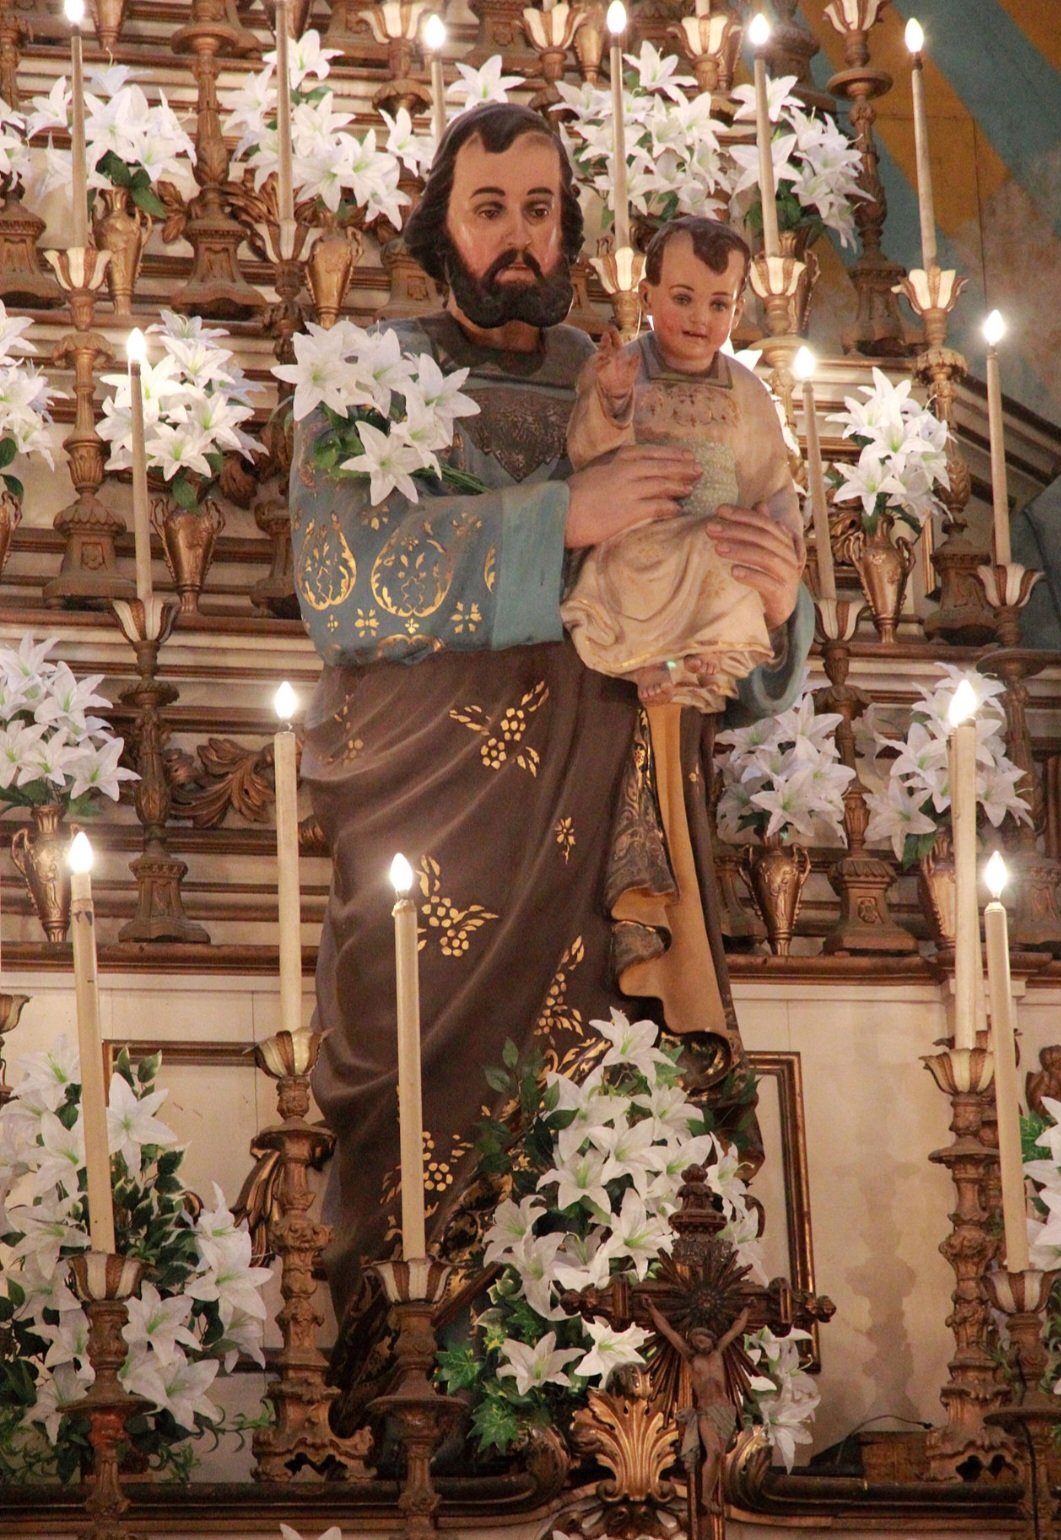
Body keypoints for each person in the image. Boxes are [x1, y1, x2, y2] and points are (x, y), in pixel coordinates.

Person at [289, 102, 811, 1401]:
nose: (515, 238)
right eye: (488, 208)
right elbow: (342, 580)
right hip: (442, 839)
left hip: (622, 846)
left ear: (573, 229)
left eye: (539, 210)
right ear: (440, 221)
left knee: (616, 1145)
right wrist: (560, 516)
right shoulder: (366, 376)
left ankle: (619, 1381)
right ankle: (420, 1391)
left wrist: (779, 604)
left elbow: (723, 644)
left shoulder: (649, 377)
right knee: (432, 1127)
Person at [562, 217, 802, 711]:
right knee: (629, 566)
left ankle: (698, 656)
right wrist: (613, 399)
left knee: (727, 558)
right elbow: (587, 456)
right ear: (647, 298)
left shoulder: (750, 392)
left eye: (718, 305)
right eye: (682, 298)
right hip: (642, 531)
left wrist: (783, 539)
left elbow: (772, 483)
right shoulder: (621, 369)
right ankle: (647, 658)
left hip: (714, 531)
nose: (699, 318)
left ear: (737, 313)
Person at [647, 1300, 751, 1513]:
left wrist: (747, 1308)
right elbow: (668, 1331)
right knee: (712, 1451)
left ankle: (710, 1494)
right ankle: (704, 1498)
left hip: (725, 1410)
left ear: (711, 1340)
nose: (700, 1344)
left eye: (702, 1340)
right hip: (705, 1410)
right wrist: (651, 1308)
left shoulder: (719, 1351)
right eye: (696, 1341)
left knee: (720, 1455)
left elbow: (735, 1329)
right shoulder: (690, 1356)